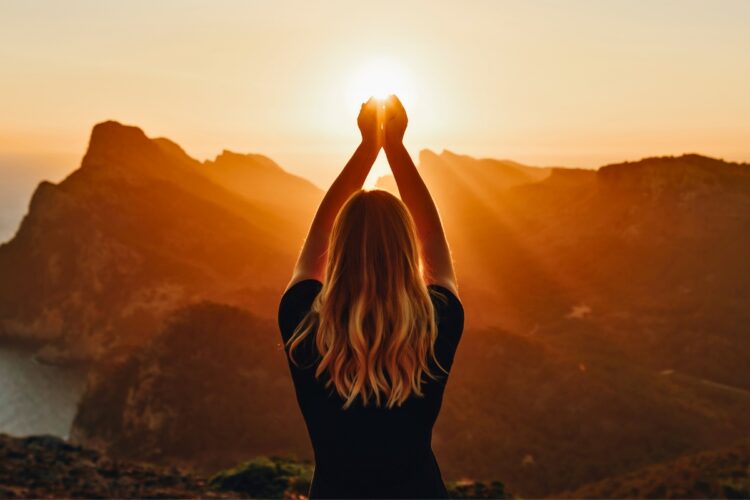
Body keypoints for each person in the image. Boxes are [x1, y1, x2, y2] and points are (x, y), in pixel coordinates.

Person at [277, 95, 464, 499]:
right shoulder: (436, 324)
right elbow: (433, 238)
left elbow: (316, 238)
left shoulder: (304, 323)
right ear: (405, 250)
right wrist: (394, 147)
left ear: (338, 250)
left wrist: (366, 147)